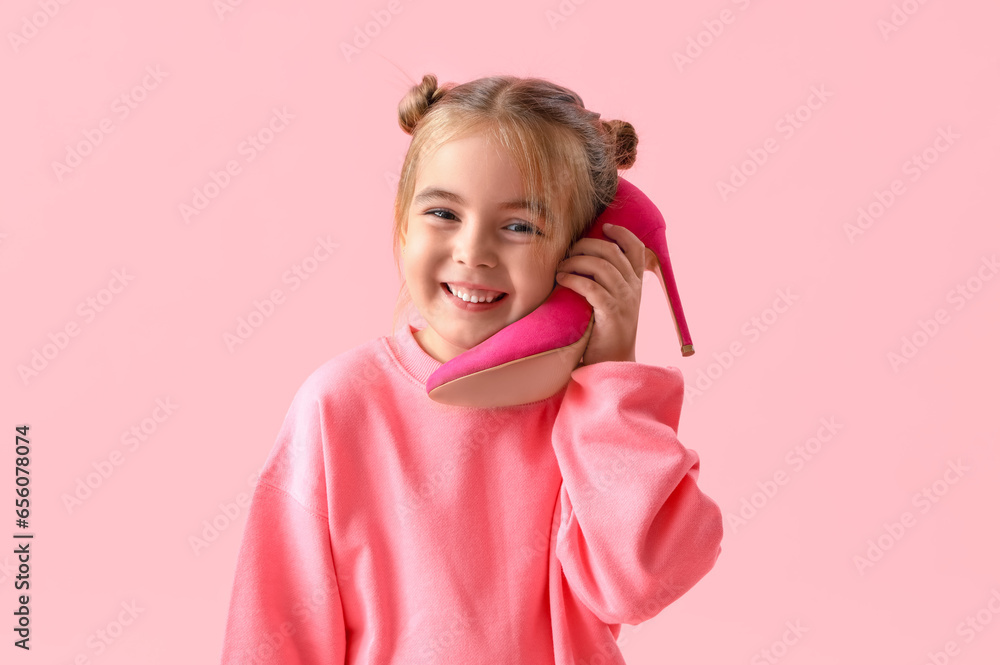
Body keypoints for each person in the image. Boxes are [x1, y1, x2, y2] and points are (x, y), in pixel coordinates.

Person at [220, 73, 723, 664]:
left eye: (520, 226)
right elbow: (275, 630)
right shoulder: (339, 405)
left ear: (582, 247)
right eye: (442, 213)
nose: (473, 251)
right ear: (402, 223)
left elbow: (641, 581)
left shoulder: (591, 418)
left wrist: (611, 374)